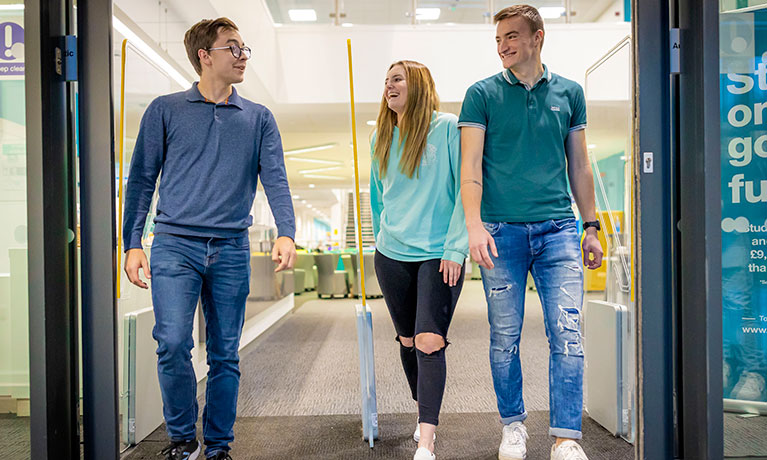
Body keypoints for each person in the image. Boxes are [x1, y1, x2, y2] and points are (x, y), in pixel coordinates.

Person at [122, 18, 296, 460]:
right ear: (205, 56)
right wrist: (133, 242)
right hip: (174, 245)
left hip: (231, 248)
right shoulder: (165, 109)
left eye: (243, 48)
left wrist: (286, 231)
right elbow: (142, 179)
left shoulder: (258, 118)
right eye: (232, 47)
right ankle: (183, 440)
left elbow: (275, 178)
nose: (241, 56)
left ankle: (218, 445)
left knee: (224, 353)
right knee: (174, 342)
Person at [458, 5, 603, 460]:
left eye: (512, 37)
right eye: (499, 39)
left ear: (538, 37)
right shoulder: (481, 94)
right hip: (501, 234)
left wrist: (591, 225)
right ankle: (513, 426)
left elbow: (579, 166)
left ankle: (565, 436)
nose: (503, 45)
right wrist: (473, 224)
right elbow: (471, 167)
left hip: (559, 230)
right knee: (505, 336)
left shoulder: (570, 93)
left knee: (568, 333)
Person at [370, 60, 469, 460]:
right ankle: (422, 407)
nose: (389, 85)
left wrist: (456, 247)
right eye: (387, 80)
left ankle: (427, 439)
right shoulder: (381, 134)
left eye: (397, 79)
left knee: (429, 340)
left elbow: (466, 187)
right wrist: (380, 238)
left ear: (419, 85)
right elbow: (378, 197)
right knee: (409, 341)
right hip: (391, 255)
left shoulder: (447, 127)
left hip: (438, 253)